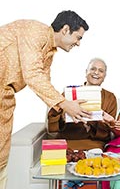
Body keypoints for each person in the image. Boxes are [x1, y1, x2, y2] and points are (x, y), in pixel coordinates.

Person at [0, 10, 89, 188]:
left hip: (5, 98)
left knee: (2, 157)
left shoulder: (49, 50)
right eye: (78, 37)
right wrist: (64, 104)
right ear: (65, 29)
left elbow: (44, 82)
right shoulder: (34, 31)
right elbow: (32, 75)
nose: (78, 44)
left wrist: (64, 110)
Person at [47, 57, 117, 151]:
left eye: (101, 71)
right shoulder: (69, 93)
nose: (96, 72)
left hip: (94, 143)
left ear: (104, 76)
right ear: (86, 72)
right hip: (68, 139)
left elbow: (108, 129)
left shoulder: (110, 97)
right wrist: (64, 116)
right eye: (93, 69)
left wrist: (101, 120)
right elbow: (53, 119)